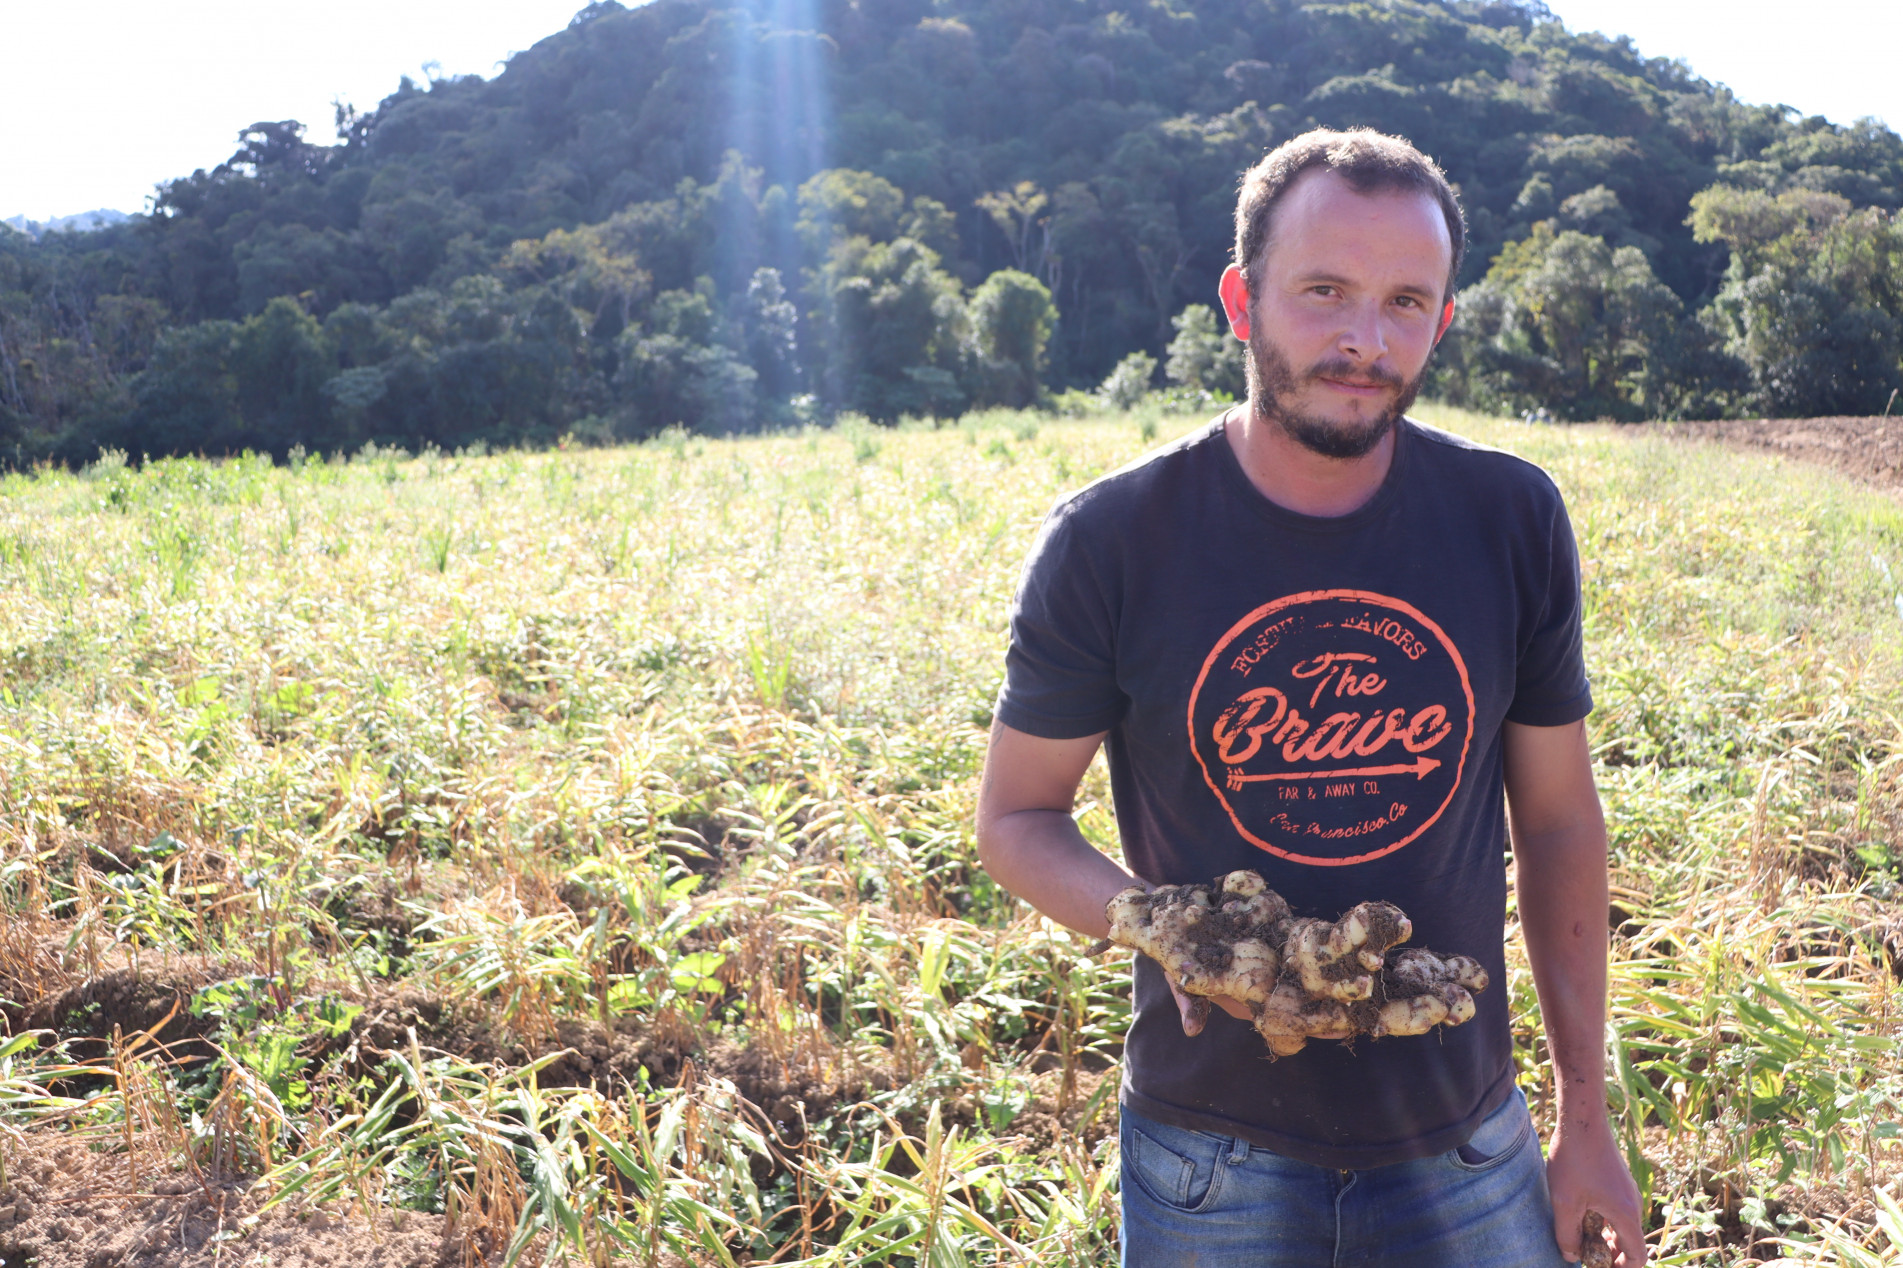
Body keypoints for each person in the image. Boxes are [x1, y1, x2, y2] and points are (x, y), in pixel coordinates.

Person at [973, 128, 1647, 1267]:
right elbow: (1016, 817)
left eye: (1403, 302)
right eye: (1323, 291)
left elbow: (1559, 819)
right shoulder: (1114, 539)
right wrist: (1167, 929)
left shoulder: (1509, 518)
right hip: (1209, 1159)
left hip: (1466, 1143)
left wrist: (1586, 1118)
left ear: (1440, 321)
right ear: (1242, 300)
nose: (1361, 339)